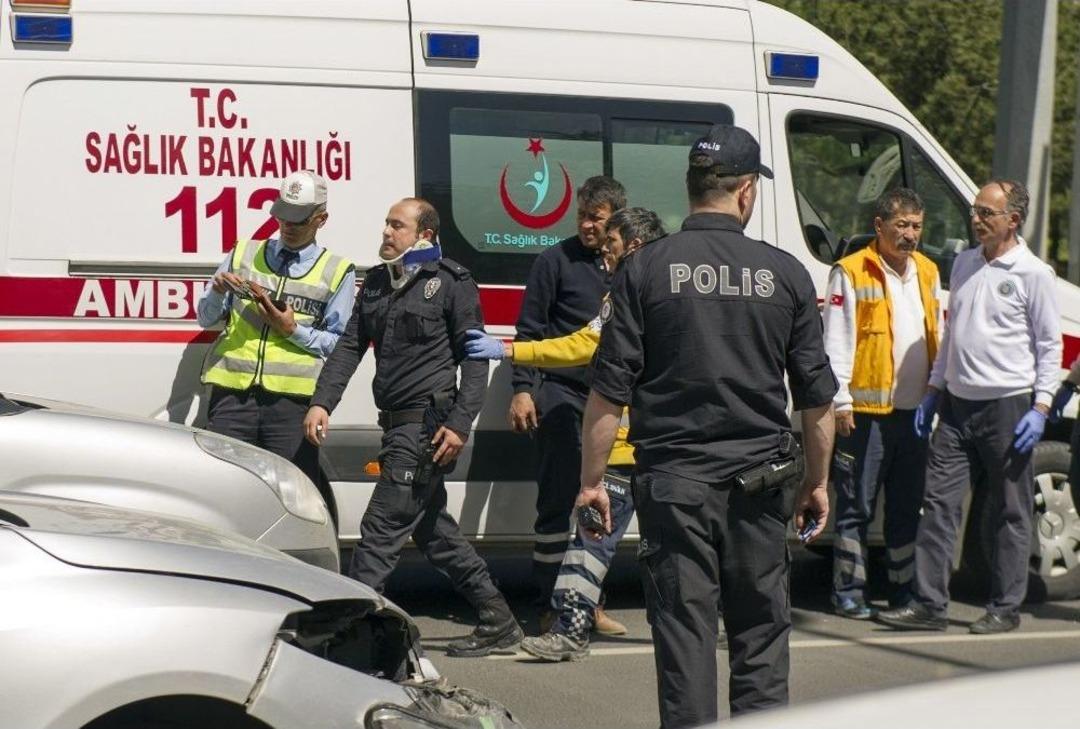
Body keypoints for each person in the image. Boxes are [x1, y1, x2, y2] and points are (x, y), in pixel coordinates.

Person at [578, 124, 837, 727]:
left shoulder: (644, 271)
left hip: (675, 485)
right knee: (761, 639)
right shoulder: (786, 273)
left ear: (694, 187)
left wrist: (592, 481)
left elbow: (606, 396)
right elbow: (817, 401)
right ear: (745, 191)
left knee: (685, 639)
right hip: (759, 484)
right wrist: (816, 482)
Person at [303, 197, 523, 657]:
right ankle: (498, 617)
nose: (386, 232)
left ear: (424, 235)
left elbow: (476, 360)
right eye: (385, 223)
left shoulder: (451, 282)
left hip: (427, 425)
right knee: (432, 531)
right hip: (396, 424)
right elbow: (349, 348)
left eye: (396, 225)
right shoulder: (380, 282)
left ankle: (351, 637)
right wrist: (323, 403)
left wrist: (461, 423)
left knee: (380, 527)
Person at [465, 207, 666, 661]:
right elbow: (581, 342)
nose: (605, 258)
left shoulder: (648, 292)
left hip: (653, 446)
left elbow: (589, 346)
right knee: (601, 538)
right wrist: (514, 350)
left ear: (633, 246)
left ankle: (592, 631)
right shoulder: (625, 294)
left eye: (611, 246)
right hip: (636, 446)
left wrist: (514, 350)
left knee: (643, 544)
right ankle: (576, 629)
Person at [876, 180, 1062, 635]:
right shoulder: (963, 264)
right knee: (937, 503)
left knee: (1010, 510)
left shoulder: (1034, 274)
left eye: (986, 213)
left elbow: (1049, 346)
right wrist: (935, 390)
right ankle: (929, 604)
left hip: (1008, 406)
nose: (976, 219)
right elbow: (954, 334)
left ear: (1012, 220)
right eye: (976, 211)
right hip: (957, 407)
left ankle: (1005, 606)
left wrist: (1039, 407)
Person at [197, 170, 355, 511]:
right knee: (224, 496)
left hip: (291, 405)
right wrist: (217, 291)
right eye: (282, 214)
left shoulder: (337, 270)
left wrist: (291, 329)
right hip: (232, 397)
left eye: (298, 219)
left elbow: (339, 344)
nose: (287, 224)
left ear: (321, 219)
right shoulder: (243, 253)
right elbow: (205, 317)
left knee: (291, 500)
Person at [509, 175, 627, 632]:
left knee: (601, 503)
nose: (586, 225)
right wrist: (522, 388)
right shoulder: (554, 261)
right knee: (557, 503)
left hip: (611, 399)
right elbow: (530, 330)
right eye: (581, 215)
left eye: (595, 218)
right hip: (561, 395)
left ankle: (589, 604)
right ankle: (549, 605)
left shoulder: (624, 265)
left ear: (614, 218)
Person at [822, 188, 942, 619]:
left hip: (914, 414)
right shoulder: (852, 272)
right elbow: (836, 341)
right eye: (902, 226)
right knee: (857, 505)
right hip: (866, 415)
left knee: (907, 506)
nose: (910, 235)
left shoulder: (927, 271)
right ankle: (848, 591)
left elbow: (934, 333)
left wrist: (935, 394)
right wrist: (840, 402)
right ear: (879, 226)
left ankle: (901, 591)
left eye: (916, 227)